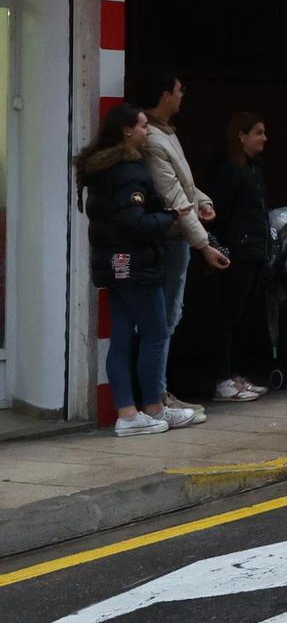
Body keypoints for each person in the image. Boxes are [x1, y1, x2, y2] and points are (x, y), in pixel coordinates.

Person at [75, 106, 200, 436]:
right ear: (127, 132)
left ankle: (128, 412)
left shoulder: (103, 168)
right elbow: (135, 222)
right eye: (144, 126)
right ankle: (152, 408)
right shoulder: (130, 172)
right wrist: (171, 217)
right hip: (138, 263)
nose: (148, 132)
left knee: (122, 337)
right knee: (155, 334)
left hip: (115, 264)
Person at [133, 68, 229, 422]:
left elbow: (184, 185)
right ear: (163, 95)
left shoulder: (167, 135)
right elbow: (173, 196)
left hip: (177, 238)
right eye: (178, 89)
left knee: (168, 316)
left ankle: (159, 390)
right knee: (164, 319)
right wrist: (204, 245)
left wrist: (202, 199)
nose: (182, 95)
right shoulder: (155, 141)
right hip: (170, 240)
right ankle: (156, 395)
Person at [203, 113, 272, 402]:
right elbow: (221, 215)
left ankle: (237, 374)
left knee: (244, 316)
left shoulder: (254, 169)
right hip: (237, 253)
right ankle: (222, 377)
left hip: (255, 250)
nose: (264, 139)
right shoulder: (229, 171)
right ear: (241, 135)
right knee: (228, 315)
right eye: (258, 132)